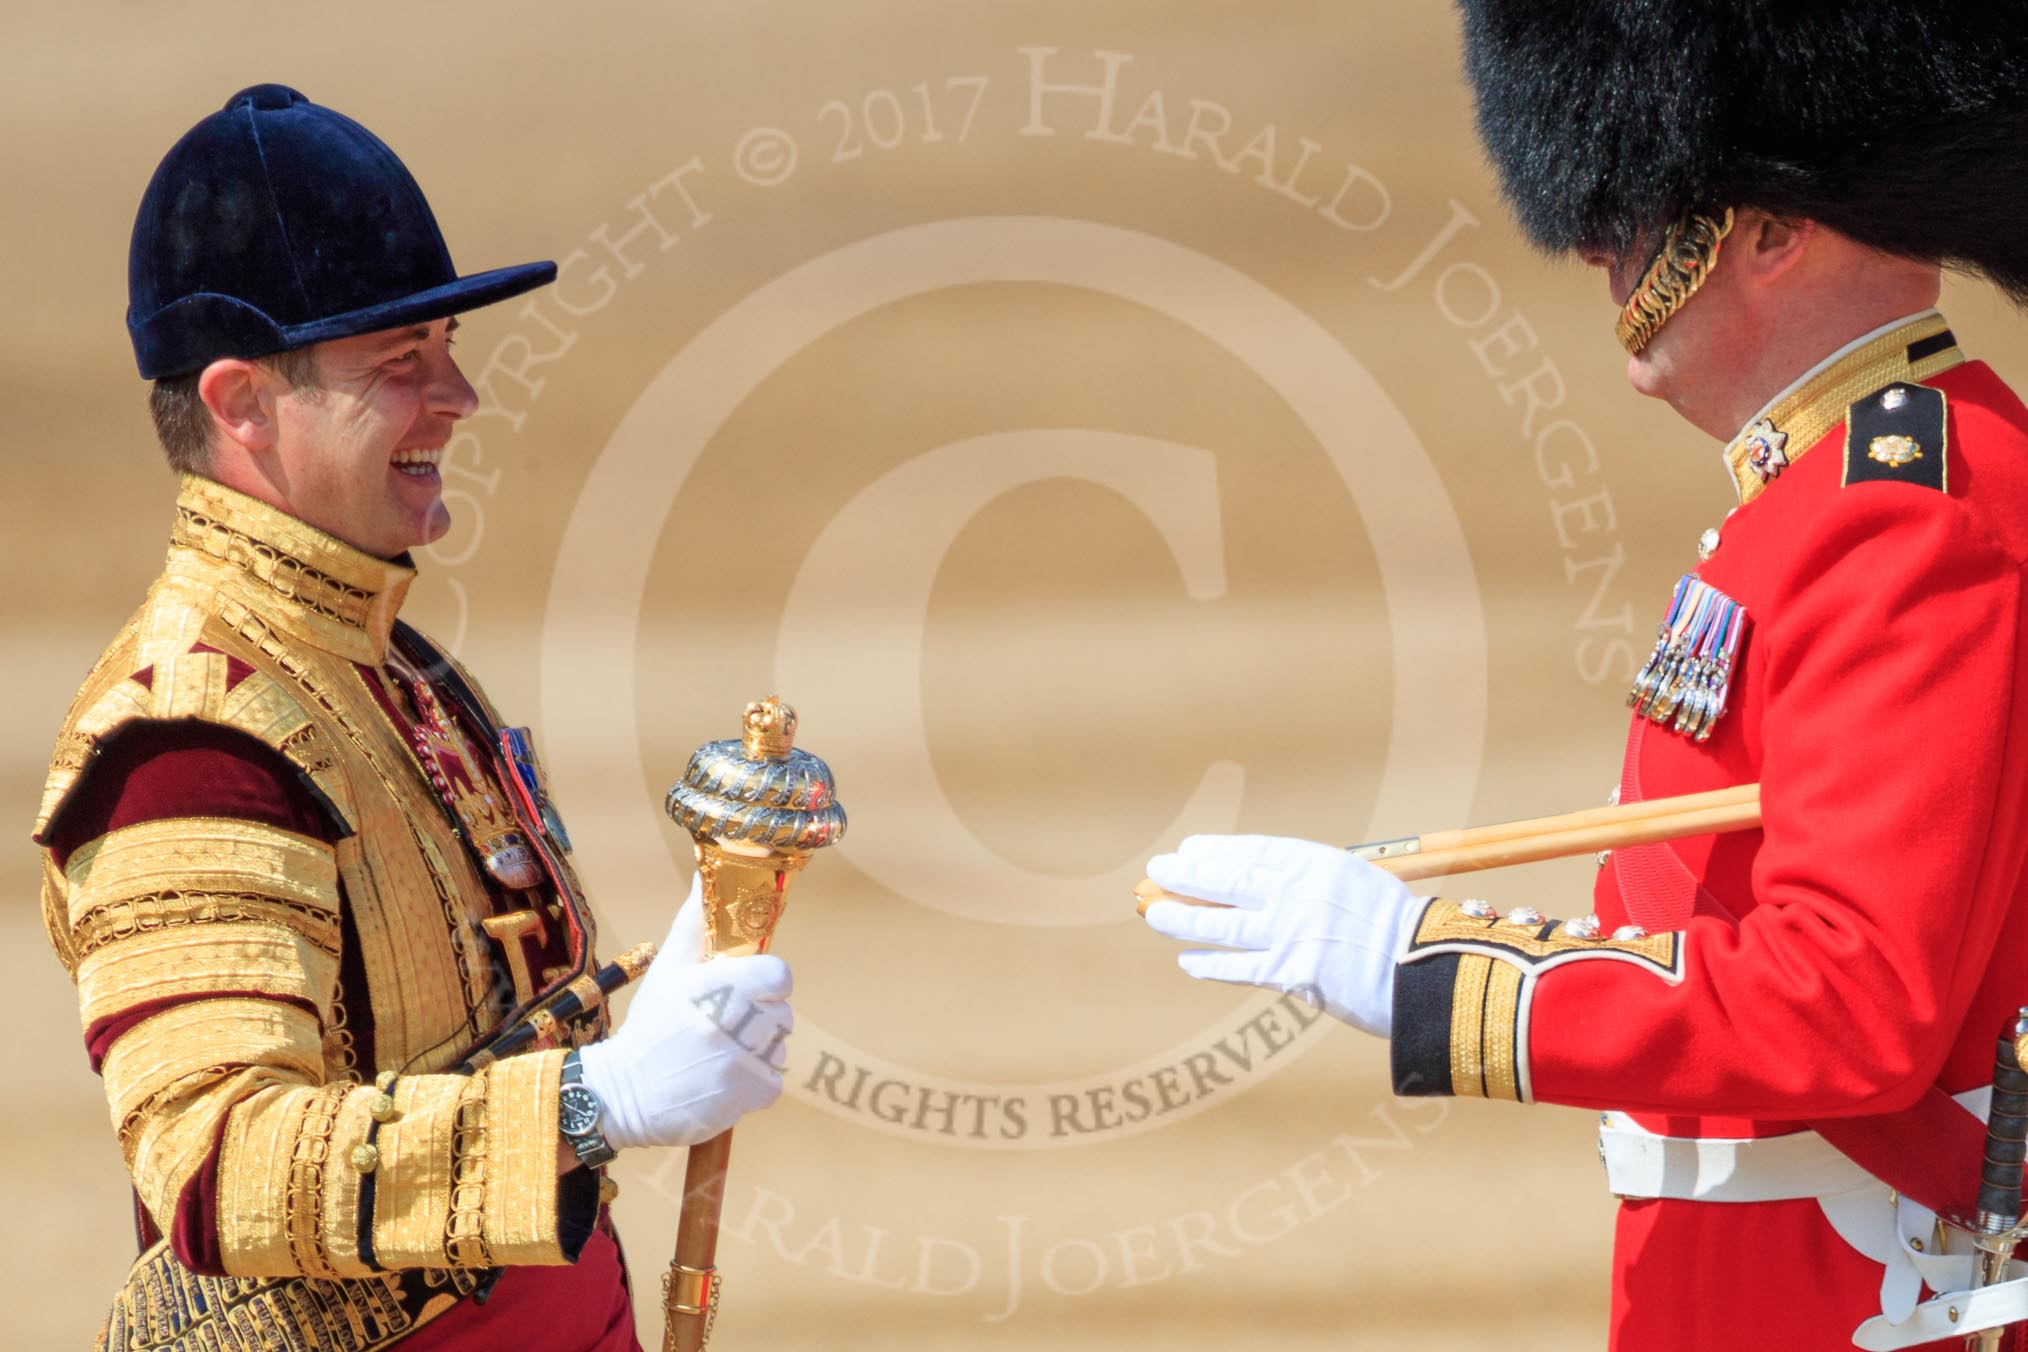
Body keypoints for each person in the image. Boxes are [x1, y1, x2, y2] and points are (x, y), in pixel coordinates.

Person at [1145, 6, 2028, 1349]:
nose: (1600, 254)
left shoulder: (1897, 513)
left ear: (1776, 233)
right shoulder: (1835, 490)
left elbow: (1851, 1000)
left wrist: (1429, 969)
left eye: (1640, 215)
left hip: (1851, 1281)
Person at [35, 85, 791, 1352]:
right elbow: (224, 1165)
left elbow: (468, 1027)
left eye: (444, 347)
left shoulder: (396, 667)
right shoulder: (189, 743)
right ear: (239, 403)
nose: (459, 397)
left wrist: (677, 990)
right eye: (401, 365)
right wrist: (598, 1101)